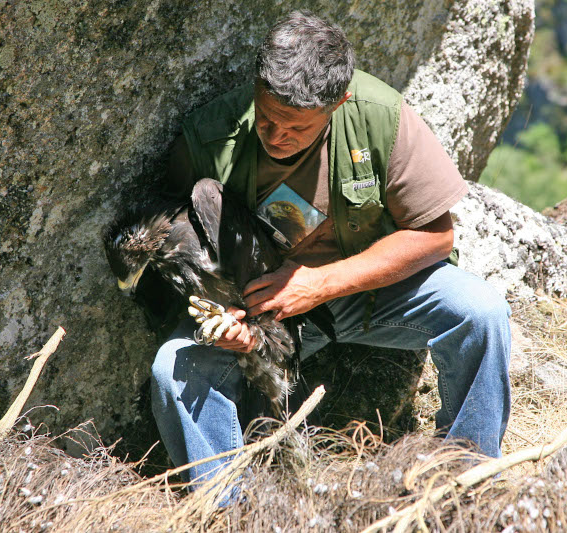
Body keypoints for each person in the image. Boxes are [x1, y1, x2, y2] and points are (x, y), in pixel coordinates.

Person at [151, 10, 511, 487]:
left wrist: (320, 283)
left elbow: (436, 235)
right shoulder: (210, 137)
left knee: (481, 313)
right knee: (172, 370)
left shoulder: (381, 116)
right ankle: (223, 508)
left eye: (296, 128)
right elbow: (175, 246)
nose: (277, 137)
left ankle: (466, 480)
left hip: (374, 291)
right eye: (267, 119)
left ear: (339, 102)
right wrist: (222, 317)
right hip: (265, 309)